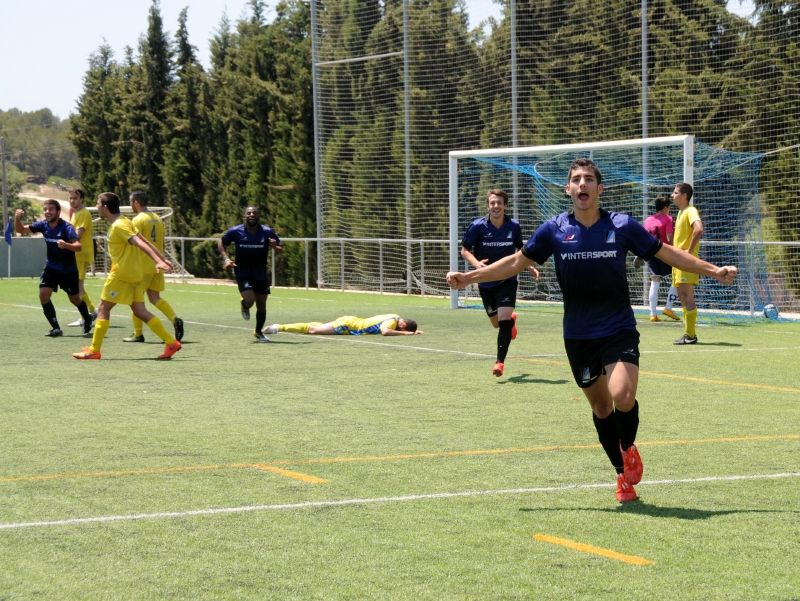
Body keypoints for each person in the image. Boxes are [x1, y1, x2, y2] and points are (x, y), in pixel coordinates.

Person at [446, 158, 737, 503]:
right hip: (578, 335)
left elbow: (668, 253)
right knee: (601, 409)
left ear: (600, 188)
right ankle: (621, 474)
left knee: (622, 396)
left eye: (588, 179)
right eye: (576, 180)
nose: (582, 184)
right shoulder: (553, 230)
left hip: (618, 328)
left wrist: (713, 270)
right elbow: (515, 263)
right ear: (568, 189)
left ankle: (628, 447)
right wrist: (468, 277)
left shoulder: (622, 225)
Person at [72, 192, 182, 360]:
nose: (96, 207)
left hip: (122, 274)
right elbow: (145, 241)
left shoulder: (119, 225)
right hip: (136, 273)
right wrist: (160, 258)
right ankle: (171, 343)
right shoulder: (126, 221)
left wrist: (158, 260)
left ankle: (94, 350)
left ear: (106, 207)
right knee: (139, 310)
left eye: (98, 204)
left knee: (103, 308)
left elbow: (139, 242)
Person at [460, 188, 539, 377]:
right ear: (488, 205)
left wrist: (530, 267)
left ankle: (499, 363)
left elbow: (521, 250)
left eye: (499, 203)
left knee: (502, 322)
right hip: (486, 281)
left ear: (505, 206)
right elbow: (465, 250)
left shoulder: (513, 226)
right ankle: (511, 322)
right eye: (492, 203)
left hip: (507, 279)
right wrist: (476, 264)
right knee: (496, 323)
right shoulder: (477, 226)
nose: (496, 206)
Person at [14, 200, 94, 337]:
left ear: (57, 212)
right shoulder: (43, 225)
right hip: (51, 268)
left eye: (51, 209)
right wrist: (17, 218)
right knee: (43, 294)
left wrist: (66, 245)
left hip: (68, 271)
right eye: (45, 209)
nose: (47, 212)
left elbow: (78, 246)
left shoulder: (67, 228)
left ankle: (87, 317)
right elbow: (21, 230)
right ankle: (56, 328)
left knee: (74, 299)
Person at [121, 190, 184, 343]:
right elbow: (160, 242)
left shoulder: (137, 220)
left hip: (142, 266)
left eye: (131, 202)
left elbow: (137, 243)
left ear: (136, 202)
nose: (130, 205)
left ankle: (138, 334)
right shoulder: (157, 218)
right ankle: (174, 318)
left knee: (135, 302)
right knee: (155, 298)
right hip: (157, 264)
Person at [218, 206, 283, 342]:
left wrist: (274, 246)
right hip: (243, 270)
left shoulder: (267, 232)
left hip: (260, 271)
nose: (252, 214)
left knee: (262, 304)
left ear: (259, 216)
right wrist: (226, 258)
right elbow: (221, 242)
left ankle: (259, 332)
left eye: (255, 213)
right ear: (245, 216)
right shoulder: (236, 231)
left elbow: (280, 249)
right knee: (250, 300)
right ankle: (244, 305)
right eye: (249, 213)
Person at [671, 182, 704, 345]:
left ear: (684, 196)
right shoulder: (680, 212)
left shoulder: (690, 210)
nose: (672, 195)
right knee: (682, 297)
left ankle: (691, 335)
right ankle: (688, 333)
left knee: (687, 296)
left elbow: (698, 229)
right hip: (678, 262)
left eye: (675, 193)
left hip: (686, 262)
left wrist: (689, 252)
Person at [641, 195, 679, 322]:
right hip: (665, 251)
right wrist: (676, 249)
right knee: (677, 277)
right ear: (665, 208)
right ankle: (668, 307)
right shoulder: (668, 218)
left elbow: (644, 237)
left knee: (655, 280)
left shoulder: (648, 220)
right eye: (669, 208)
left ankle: (653, 314)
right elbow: (669, 238)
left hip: (652, 252)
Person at [66, 188, 98, 326]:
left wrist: (63, 242)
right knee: (77, 287)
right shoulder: (76, 213)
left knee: (77, 287)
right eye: (71, 198)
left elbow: (77, 235)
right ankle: (90, 312)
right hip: (76, 254)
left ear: (82, 200)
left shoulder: (84, 213)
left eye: (75, 198)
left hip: (80, 254)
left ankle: (88, 316)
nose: (72, 200)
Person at [265, 314, 422, 336]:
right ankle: (279, 327)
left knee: (315, 325)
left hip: (349, 322)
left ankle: (280, 326)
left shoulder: (394, 317)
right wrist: (405, 334)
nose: (400, 328)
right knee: (313, 330)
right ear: (403, 324)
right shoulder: (392, 321)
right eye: (402, 327)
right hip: (348, 326)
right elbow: (385, 331)